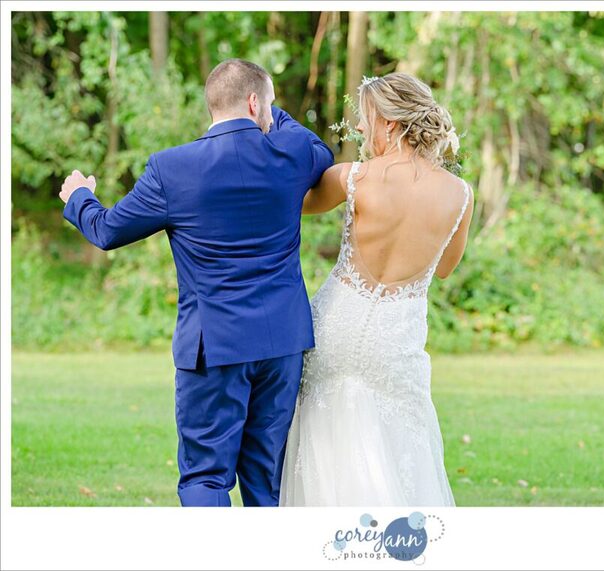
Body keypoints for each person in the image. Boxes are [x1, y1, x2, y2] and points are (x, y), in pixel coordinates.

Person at [58, 58, 334, 506]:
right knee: (268, 481)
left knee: (206, 477)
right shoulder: (291, 154)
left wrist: (79, 197)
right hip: (282, 342)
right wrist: (271, 110)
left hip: (214, 347)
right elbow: (316, 147)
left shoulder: (172, 169)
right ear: (252, 102)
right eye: (267, 104)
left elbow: (106, 231)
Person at [279, 72, 473, 506]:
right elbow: (444, 268)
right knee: (402, 449)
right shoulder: (460, 194)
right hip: (397, 338)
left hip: (337, 326)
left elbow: (290, 205)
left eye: (365, 118)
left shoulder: (354, 178)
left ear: (389, 122)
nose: (361, 129)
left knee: (323, 442)